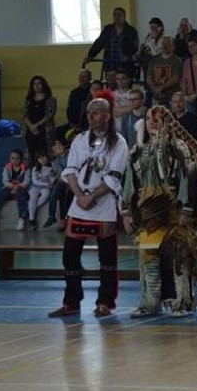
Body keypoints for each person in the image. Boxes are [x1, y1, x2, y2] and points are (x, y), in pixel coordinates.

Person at [48, 92, 129, 318]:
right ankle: (71, 301)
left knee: (107, 259)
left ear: (106, 116)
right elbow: (70, 170)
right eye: (88, 113)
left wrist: (91, 196)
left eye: (95, 113)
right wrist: (79, 195)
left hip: (103, 206)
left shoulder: (119, 142)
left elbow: (114, 176)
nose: (90, 117)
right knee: (69, 256)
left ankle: (105, 302)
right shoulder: (80, 139)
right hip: (78, 204)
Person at [122, 106, 197, 318]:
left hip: (172, 205)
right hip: (147, 208)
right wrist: (127, 212)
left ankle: (181, 303)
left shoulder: (178, 147)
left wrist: (187, 206)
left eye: (157, 118)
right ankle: (151, 302)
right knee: (148, 255)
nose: (152, 121)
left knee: (178, 254)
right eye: (149, 118)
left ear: (168, 121)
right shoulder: (137, 150)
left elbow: (188, 176)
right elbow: (129, 183)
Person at [82, 6, 139, 83]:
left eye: (119, 15)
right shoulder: (108, 30)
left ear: (124, 17)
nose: (117, 17)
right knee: (110, 86)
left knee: (124, 86)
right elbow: (99, 43)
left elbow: (134, 47)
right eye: (115, 15)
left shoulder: (131, 31)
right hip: (110, 65)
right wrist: (90, 55)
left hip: (125, 66)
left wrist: (128, 57)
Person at [0, 149, 29, 230]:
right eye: (12, 158)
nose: (14, 160)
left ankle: (21, 219)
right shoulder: (7, 167)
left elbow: (27, 181)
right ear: (9, 159)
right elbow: (5, 181)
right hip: (10, 187)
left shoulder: (25, 168)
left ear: (21, 159)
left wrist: (19, 186)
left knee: (21, 197)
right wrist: (12, 186)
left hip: (21, 187)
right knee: (3, 192)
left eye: (17, 158)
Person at [22, 75, 56, 164]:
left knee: (44, 153)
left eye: (39, 83)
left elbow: (49, 115)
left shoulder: (50, 99)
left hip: (45, 130)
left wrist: (36, 125)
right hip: (31, 130)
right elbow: (24, 114)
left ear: (43, 85)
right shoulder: (28, 100)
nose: (37, 86)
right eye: (34, 84)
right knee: (31, 153)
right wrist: (31, 126)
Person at [146, 36, 183, 106]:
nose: (165, 46)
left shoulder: (178, 61)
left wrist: (161, 88)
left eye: (168, 44)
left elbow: (175, 79)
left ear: (173, 47)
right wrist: (156, 90)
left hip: (172, 97)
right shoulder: (154, 60)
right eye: (163, 44)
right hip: (156, 97)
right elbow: (149, 78)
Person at [43, 139, 71, 229]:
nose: (58, 147)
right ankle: (51, 216)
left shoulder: (71, 153)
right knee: (53, 194)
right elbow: (60, 174)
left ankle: (65, 219)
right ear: (54, 153)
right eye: (55, 148)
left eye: (59, 145)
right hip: (63, 180)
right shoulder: (56, 161)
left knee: (66, 195)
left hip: (73, 179)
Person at [59, 68, 91, 143]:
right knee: (59, 131)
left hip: (87, 125)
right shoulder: (74, 93)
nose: (82, 79)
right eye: (80, 77)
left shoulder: (92, 91)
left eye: (84, 76)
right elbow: (69, 109)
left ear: (90, 78)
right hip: (74, 123)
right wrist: (72, 122)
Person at [26, 152, 55, 231]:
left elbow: (53, 178)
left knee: (46, 195)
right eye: (39, 158)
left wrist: (51, 182)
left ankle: (29, 211)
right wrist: (46, 184)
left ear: (47, 157)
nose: (42, 160)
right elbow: (35, 181)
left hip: (46, 187)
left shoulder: (52, 166)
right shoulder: (35, 168)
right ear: (37, 160)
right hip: (35, 186)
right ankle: (32, 220)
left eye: (43, 157)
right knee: (33, 197)